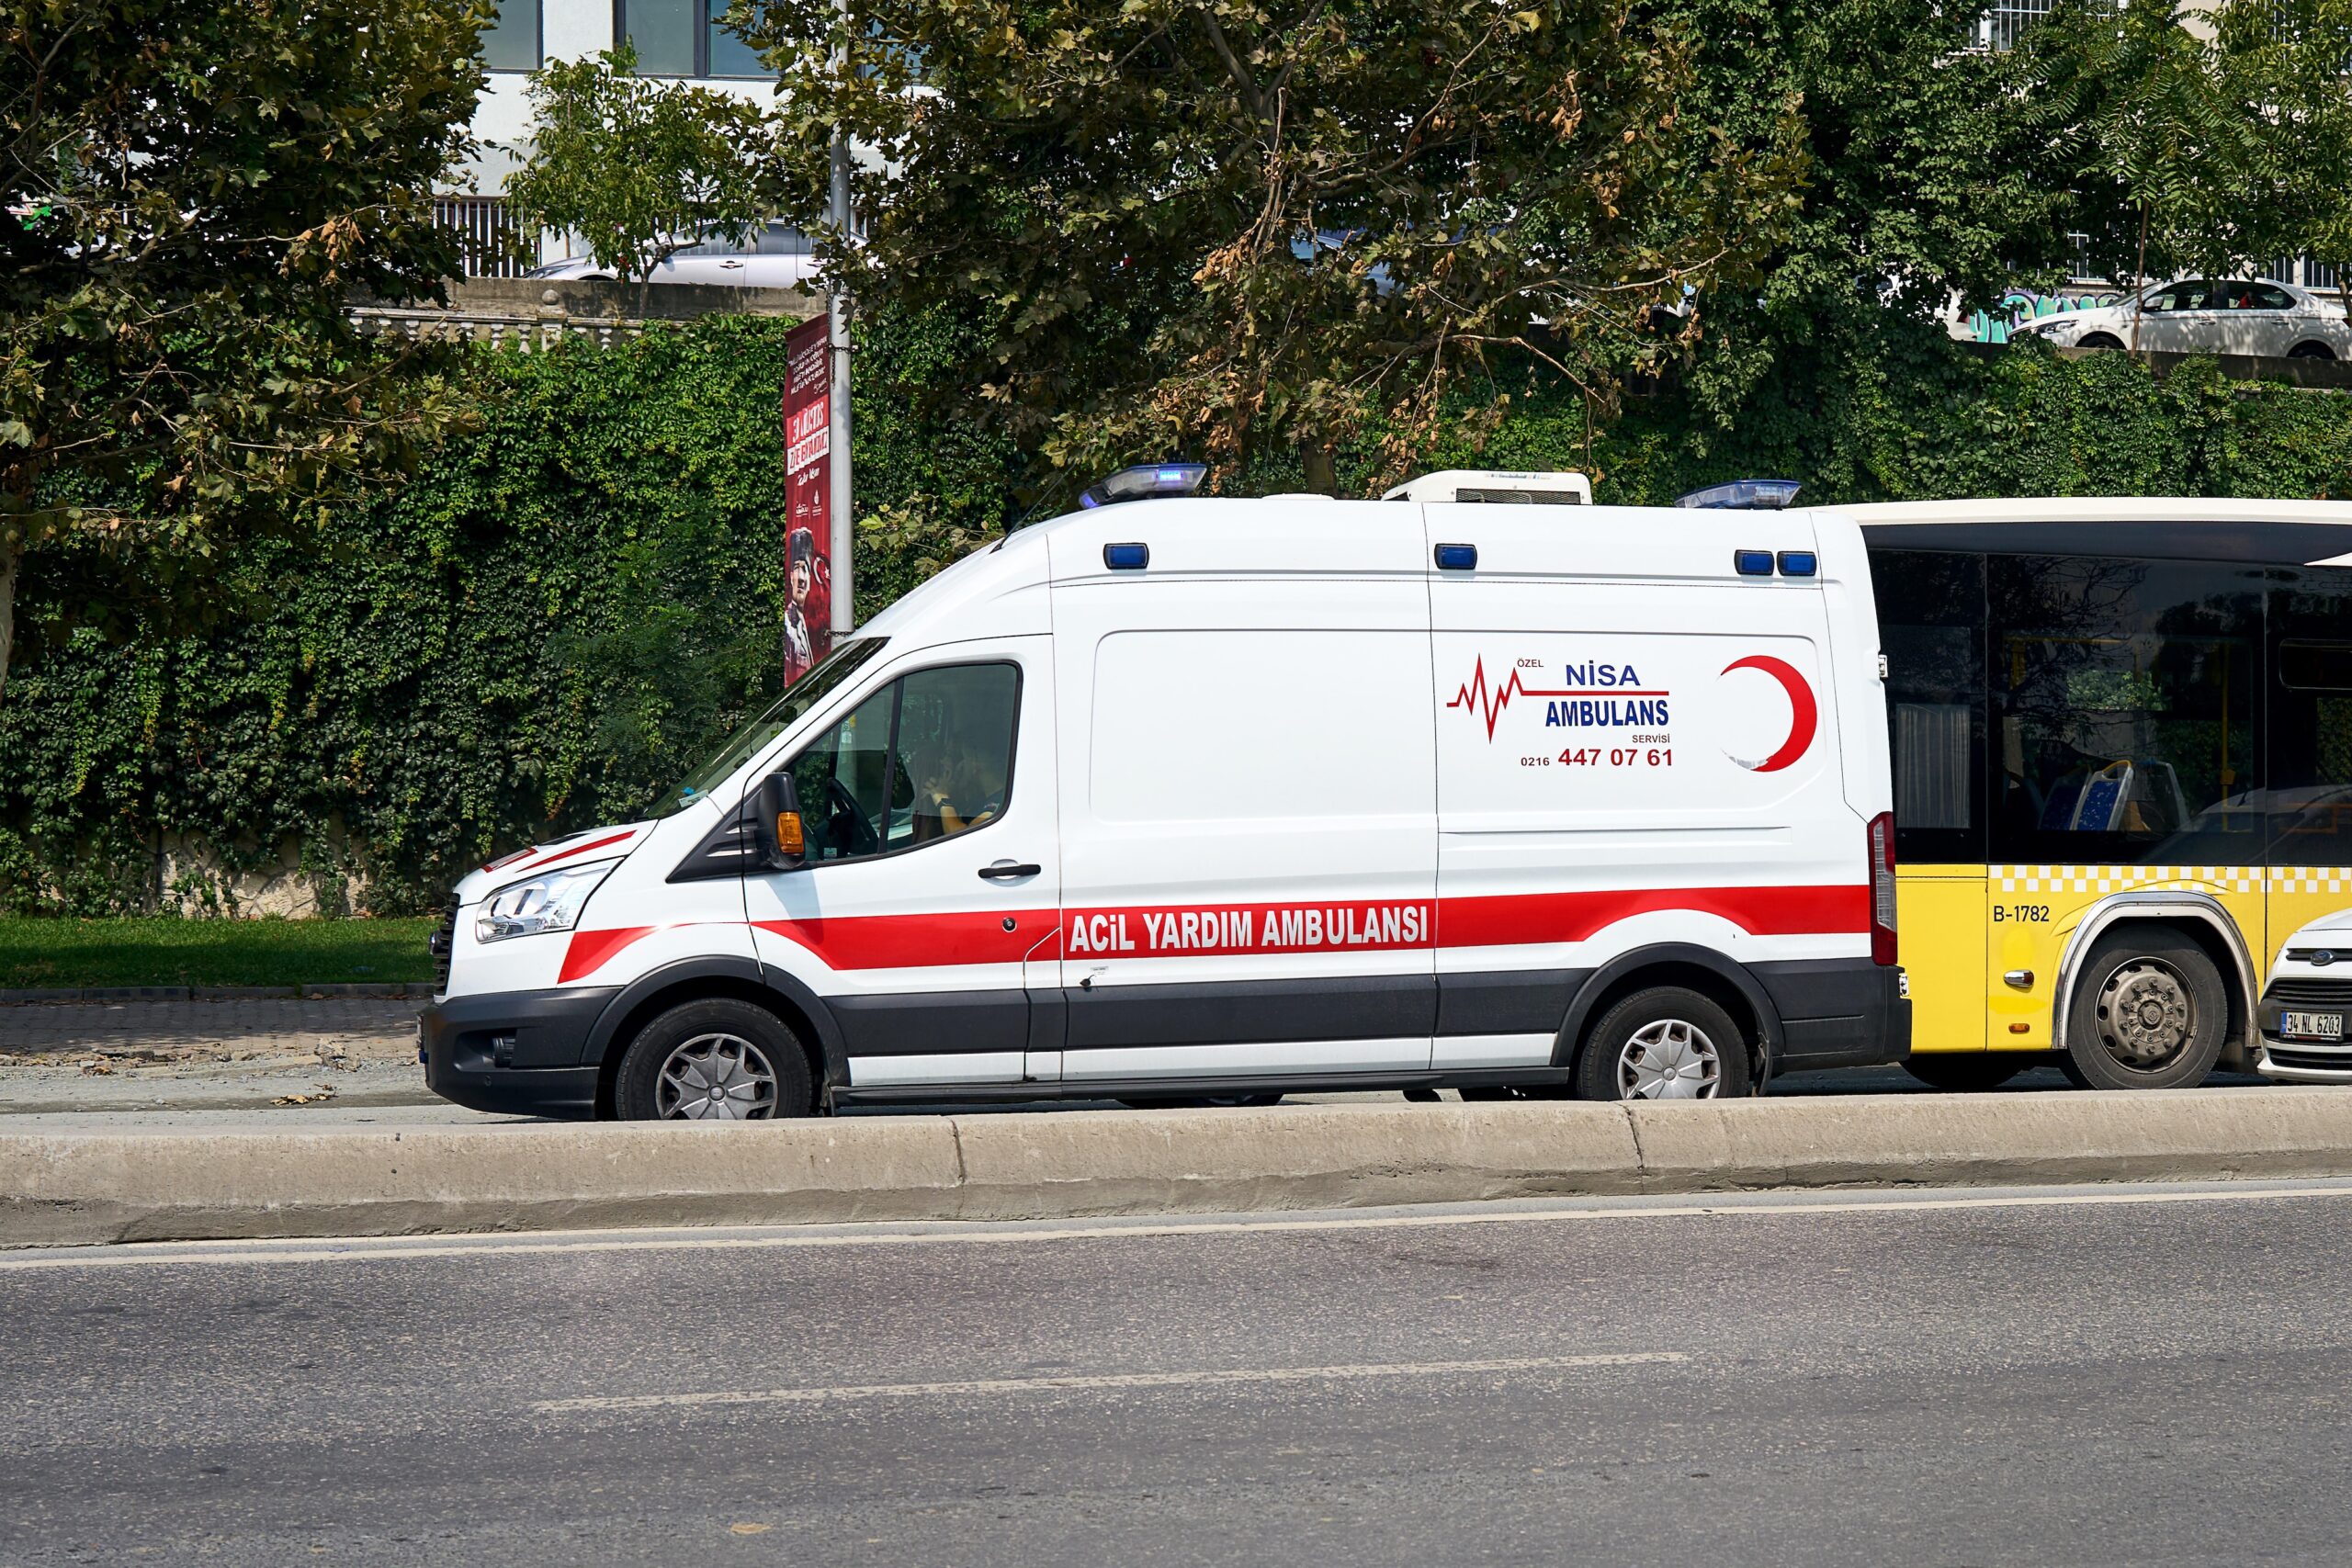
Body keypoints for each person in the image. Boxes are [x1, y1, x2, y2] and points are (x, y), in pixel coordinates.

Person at [782, 528, 832, 685]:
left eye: (805, 569)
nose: (802, 578)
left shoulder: (802, 623)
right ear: (790, 576)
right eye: (797, 568)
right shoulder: (790, 623)